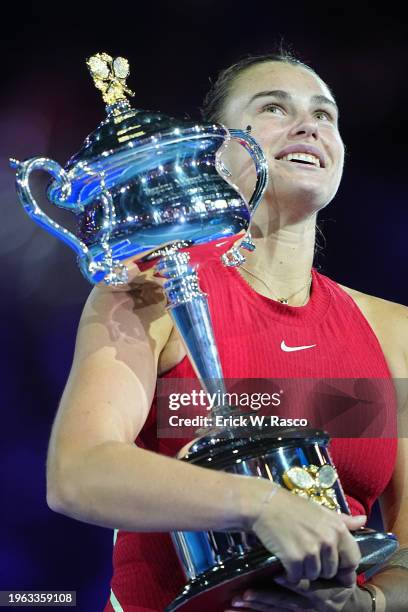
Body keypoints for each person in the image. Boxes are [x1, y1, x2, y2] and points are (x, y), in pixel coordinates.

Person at [46, 50, 408, 612]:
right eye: (273, 107)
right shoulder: (150, 291)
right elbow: (78, 473)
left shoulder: (393, 331)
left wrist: (368, 605)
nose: (309, 125)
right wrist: (260, 504)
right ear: (216, 150)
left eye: (325, 115)